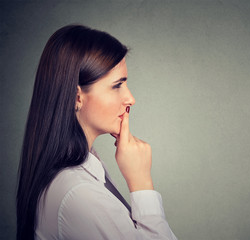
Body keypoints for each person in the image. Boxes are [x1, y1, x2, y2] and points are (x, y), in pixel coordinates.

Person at [16, 25, 178, 240]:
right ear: (77, 97)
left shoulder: (84, 168)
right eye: (117, 85)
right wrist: (141, 182)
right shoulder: (79, 195)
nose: (130, 99)